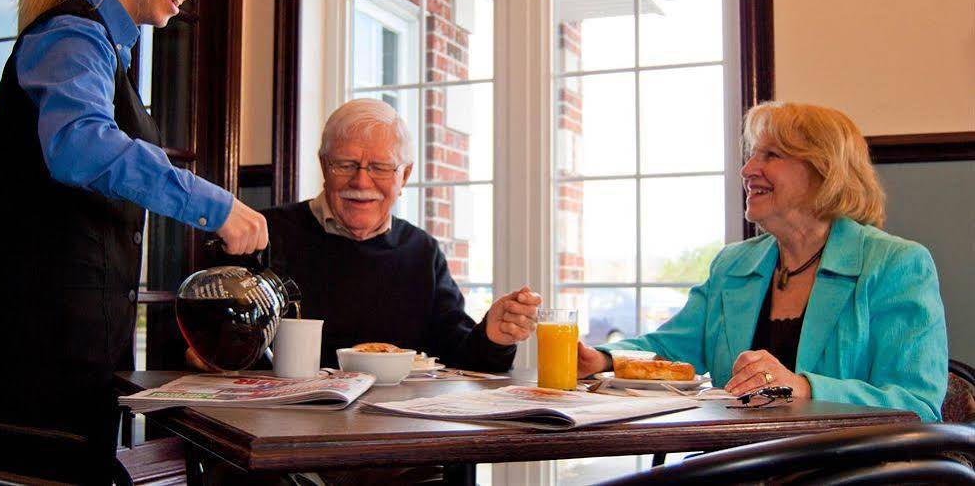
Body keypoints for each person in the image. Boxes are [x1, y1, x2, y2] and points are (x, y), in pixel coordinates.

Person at [0, 0, 267, 484]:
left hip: (74, 352)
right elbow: (81, 146)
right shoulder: (71, 36)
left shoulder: (108, 48)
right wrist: (218, 206)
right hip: (38, 354)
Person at [577, 102, 948, 421]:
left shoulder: (896, 264)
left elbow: (918, 405)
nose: (748, 169)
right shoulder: (732, 265)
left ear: (824, 171)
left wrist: (802, 388)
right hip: (736, 462)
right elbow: (671, 349)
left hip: (846, 470)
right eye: (753, 154)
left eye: (770, 155)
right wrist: (605, 360)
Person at [259, 98, 541, 371]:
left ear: (404, 176)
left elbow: (462, 356)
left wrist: (494, 337)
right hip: (293, 416)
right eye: (345, 164)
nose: (361, 181)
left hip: (398, 418)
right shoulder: (267, 234)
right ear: (324, 166)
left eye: (380, 167)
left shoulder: (422, 251)